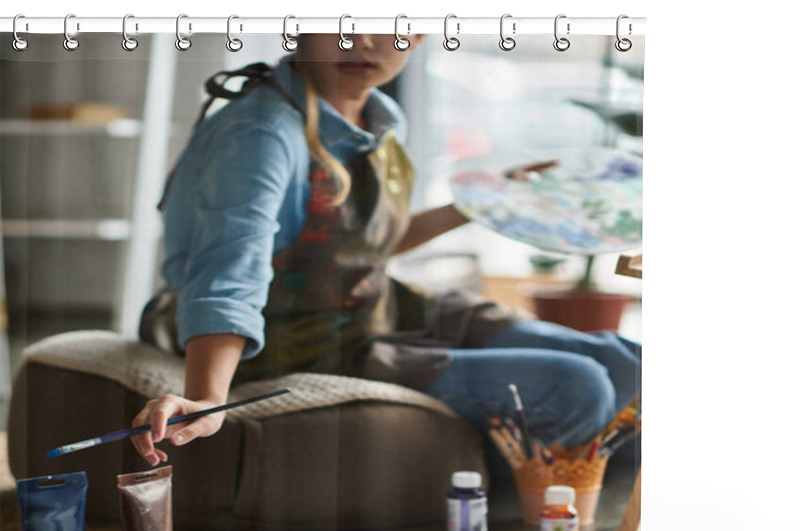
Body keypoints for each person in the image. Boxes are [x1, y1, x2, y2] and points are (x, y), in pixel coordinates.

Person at [133, 34, 640, 468]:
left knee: (629, 364)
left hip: (372, 307)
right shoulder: (261, 134)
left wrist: (488, 201)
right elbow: (229, 272)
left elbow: (363, 244)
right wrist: (207, 398)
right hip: (294, 337)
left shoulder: (377, 116)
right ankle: (517, 507)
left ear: (418, 36)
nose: (366, 39)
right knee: (579, 388)